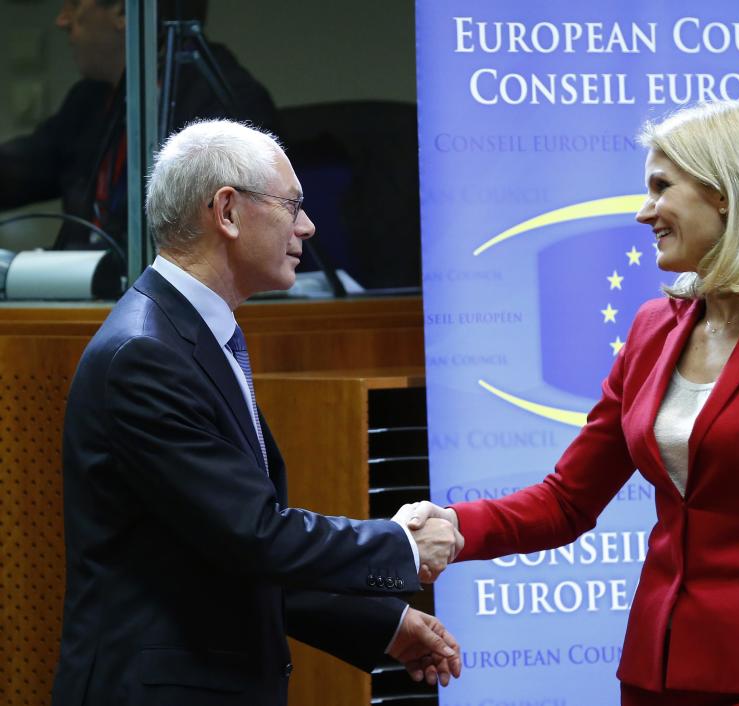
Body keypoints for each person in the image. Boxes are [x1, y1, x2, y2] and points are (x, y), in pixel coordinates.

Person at [405, 100, 739, 706]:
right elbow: (567, 500)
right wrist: (458, 528)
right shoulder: (652, 328)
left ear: (725, 193)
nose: (645, 212)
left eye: (661, 187)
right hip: (654, 675)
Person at [51, 119, 463, 706]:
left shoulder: (186, 336)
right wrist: (398, 544)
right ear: (227, 211)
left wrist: (385, 626)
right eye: (292, 204)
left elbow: (219, 549)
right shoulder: (145, 355)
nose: (308, 226)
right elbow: (252, 534)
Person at [0, 0, 277, 251]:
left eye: (73, 4)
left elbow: (219, 235)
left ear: (124, 10)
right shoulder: (90, 98)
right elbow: (23, 169)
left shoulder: (225, 104)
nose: (61, 20)